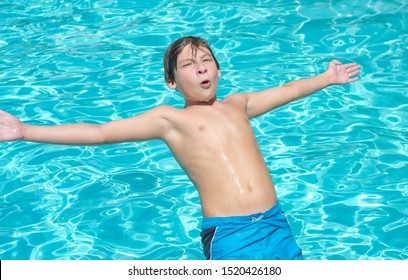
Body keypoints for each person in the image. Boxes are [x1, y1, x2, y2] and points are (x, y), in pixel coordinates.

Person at [0, 36, 360, 260]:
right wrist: (26, 130)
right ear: (172, 81)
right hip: (230, 234)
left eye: (206, 61)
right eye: (189, 64)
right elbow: (101, 132)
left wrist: (328, 78)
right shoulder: (170, 120)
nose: (200, 67)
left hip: (275, 223)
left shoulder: (240, 104)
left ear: (219, 70)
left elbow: (289, 91)